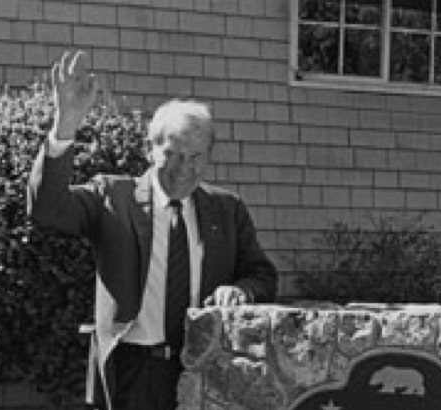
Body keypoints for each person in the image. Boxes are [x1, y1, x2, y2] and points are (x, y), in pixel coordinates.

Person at [27, 50, 278, 410]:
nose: (184, 169)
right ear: (150, 149)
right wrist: (64, 127)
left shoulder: (227, 209)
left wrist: (240, 291)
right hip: (131, 371)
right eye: (173, 154)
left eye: (196, 157)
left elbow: (261, 275)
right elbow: (48, 210)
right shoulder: (113, 197)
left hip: (203, 367)